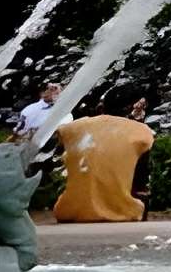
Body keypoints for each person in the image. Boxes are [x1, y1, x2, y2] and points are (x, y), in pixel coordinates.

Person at [50, 90, 156, 224]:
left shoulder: (76, 127)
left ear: (102, 107)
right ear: (131, 108)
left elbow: (59, 134)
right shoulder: (139, 131)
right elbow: (142, 173)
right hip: (123, 211)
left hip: (69, 211)